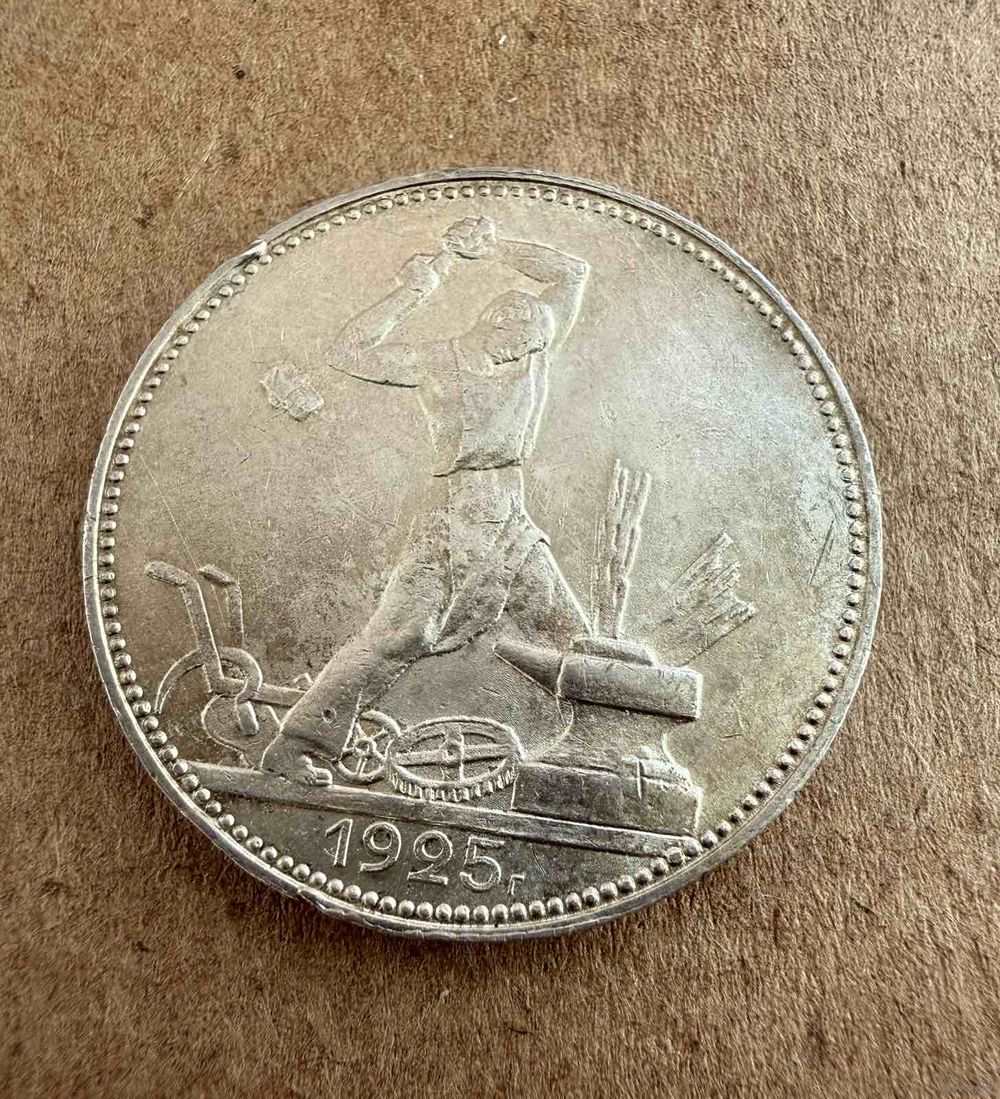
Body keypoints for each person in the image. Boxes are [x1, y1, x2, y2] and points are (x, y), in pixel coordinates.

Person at [262, 216, 593, 785]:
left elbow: (572, 271)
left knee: (571, 634)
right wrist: (414, 291)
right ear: (493, 322)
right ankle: (296, 745)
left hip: (508, 516)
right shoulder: (440, 361)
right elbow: (347, 351)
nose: (533, 336)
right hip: (453, 515)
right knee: (402, 634)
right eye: (518, 319)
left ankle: (595, 751)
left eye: (537, 329)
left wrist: (491, 248)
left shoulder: (533, 350)